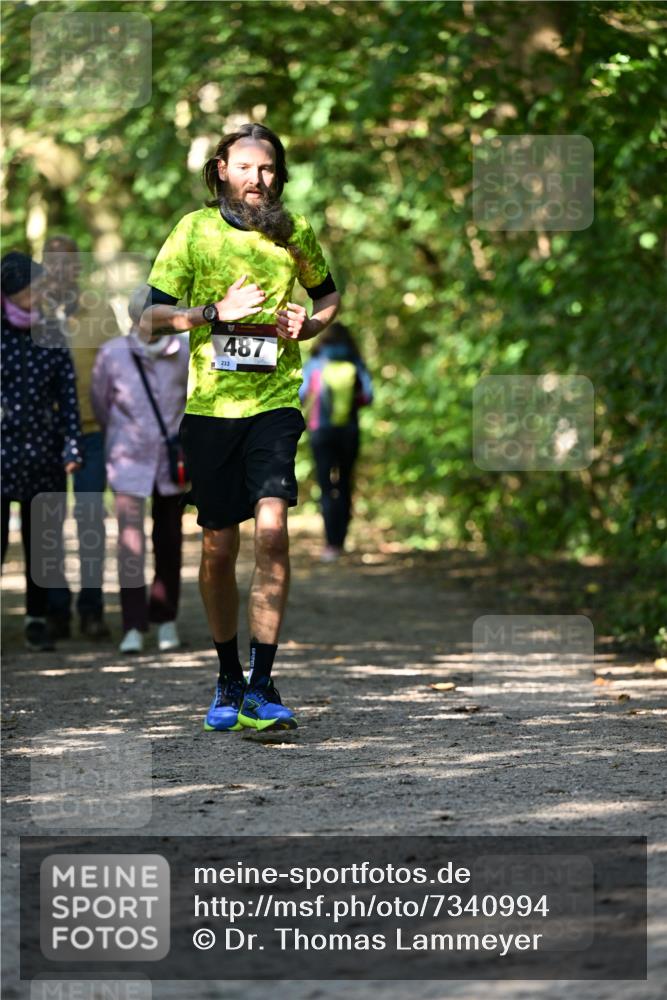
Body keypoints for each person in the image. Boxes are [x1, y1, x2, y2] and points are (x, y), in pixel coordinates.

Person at [141, 121, 340, 731]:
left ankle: (263, 681)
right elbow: (148, 318)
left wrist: (306, 325)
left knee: (274, 532)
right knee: (219, 545)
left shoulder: (295, 231)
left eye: (269, 168)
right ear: (222, 171)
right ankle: (227, 676)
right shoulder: (194, 231)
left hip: (275, 402)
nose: (259, 179)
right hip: (210, 410)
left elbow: (328, 298)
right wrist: (211, 313)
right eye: (246, 167)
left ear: (279, 175)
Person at [91, 285, 189, 654]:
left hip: (172, 461)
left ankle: (166, 621)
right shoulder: (113, 353)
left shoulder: (183, 353)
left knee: (169, 541)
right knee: (130, 544)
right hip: (128, 458)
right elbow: (101, 405)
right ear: (137, 318)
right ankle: (133, 624)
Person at [1, 251, 82, 651]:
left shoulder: (50, 329)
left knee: (42, 542)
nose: (39, 293)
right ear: (13, 292)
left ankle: (37, 619)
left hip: (43, 452)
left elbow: (68, 394)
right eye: (32, 288)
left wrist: (71, 443)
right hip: (2, 451)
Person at [41, 235, 120, 640]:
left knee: (91, 519)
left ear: (77, 268)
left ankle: (92, 610)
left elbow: (118, 370)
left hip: (93, 433)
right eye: (52, 264)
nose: (60, 271)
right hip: (46, 437)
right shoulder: (30, 313)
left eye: (67, 263)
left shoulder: (99, 310)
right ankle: (56, 610)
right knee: (48, 522)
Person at [300, 322, 373, 561]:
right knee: (344, 484)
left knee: (326, 486)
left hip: (320, 431)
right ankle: (341, 541)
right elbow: (368, 397)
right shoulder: (355, 362)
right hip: (349, 430)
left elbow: (301, 395)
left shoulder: (315, 363)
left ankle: (330, 544)